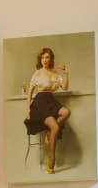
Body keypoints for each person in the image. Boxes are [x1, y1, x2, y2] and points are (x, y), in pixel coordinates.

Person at [24, 47, 70, 175]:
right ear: (40, 59)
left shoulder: (55, 73)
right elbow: (30, 92)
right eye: (43, 57)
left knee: (66, 112)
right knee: (55, 126)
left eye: (47, 57)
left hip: (51, 101)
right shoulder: (38, 73)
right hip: (40, 103)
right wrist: (28, 109)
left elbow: (65, 88)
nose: (45, 60)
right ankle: (51, 158)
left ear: (51, 59)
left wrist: (66, 74)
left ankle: (49, 134)